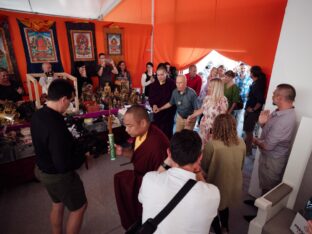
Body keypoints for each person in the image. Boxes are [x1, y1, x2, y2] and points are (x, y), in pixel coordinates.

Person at [31, 79, 90, 234]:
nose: (68, 105)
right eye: (69, 102)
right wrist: (83, 157)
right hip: (58, 176)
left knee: (57, 203)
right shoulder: (55, 125)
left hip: (42, 170)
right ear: (63, 99)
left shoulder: (38, 114)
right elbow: (63, 165)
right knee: (79, 207)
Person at [139, 130, 220, 234]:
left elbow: (142, 198)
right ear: (200, 157)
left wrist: (168, 160)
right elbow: (205, 189)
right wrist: (198, 170)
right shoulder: (213, 193)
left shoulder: (149, 180)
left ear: (168, 153)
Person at [114, 105, 170, 229]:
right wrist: (122, 152)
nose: (126, 130)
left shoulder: (156, 144)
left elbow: (161, 177)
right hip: (142, 180)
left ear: (143, 122)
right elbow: (136, 155)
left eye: (130, 126)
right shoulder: (141, 134)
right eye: (125, 126)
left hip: (151, 187)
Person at [201, 114, 246, 234]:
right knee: (224, 206)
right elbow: (242, 164)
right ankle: (225, 227)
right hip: (233, 182)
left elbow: (204, 167)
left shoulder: (212, 144)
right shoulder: (241, 142)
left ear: (216, 127)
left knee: (212, 209)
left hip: (216, 183)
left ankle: (217, 229)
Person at [253, 84, 297, 194]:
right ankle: (258, 208)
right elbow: (269, 132)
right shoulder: (278, 112)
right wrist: (262, 123)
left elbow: (268, 146)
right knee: (264, 185)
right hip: (268, 158)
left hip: (273, 160)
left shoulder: (284, 120)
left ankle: (260, 210)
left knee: (268, 190)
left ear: (279, 98)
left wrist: (255, 140)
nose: (272, 96)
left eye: (273, 94)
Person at [187, 78, 228, 144]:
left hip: (214, 129)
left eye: (210, 86)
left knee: (211, 147)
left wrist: (214, 130)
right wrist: (191, 116)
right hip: (203, 127)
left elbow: (223, 117)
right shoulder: (207, 98)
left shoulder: (223, 100)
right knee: (203, 145)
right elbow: (202, 109)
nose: (207, 88)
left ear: (216, 88)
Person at [149, 66, 176, 139]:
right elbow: (151, 98)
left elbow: (172, 100)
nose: (159, 77)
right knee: (158, 131)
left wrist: (161, 108)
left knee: (167, 132)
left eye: (162, 74)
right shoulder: (154, 84)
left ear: (166, 74)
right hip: (157, 112)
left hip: (168, 113)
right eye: (158, 75)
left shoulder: (172, 84)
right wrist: (154, 105)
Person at [243, 65, 266, 155]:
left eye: (250, 71)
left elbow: (260, 100)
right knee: (248, 131)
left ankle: (248, 151)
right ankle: (245, 148)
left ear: (253, 73)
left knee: (249, 132)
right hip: (251, 111)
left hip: (252, 113)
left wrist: (253, 109)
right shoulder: (256, 83)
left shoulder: (257, 85)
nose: (249, 73)